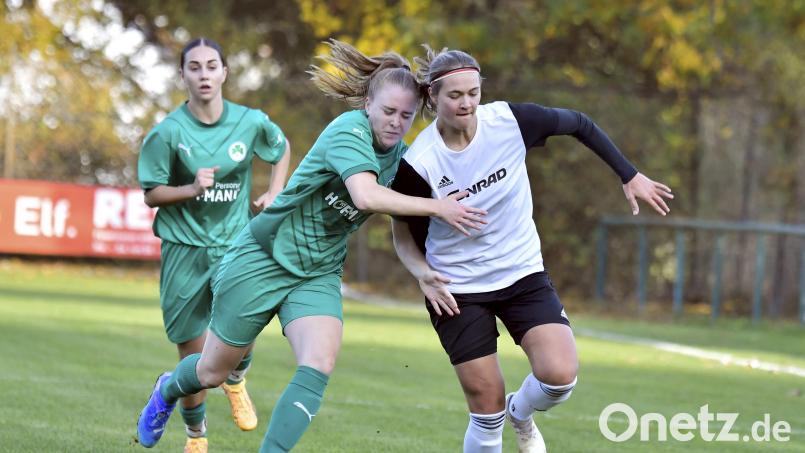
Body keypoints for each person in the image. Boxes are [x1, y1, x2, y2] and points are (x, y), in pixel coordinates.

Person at [136, 40, 487, 452]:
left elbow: (400, 222)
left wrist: (422, 272)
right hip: (262, 257)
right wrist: (439, 207)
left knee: (318, 363)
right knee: (212, 372)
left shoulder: (404, 158)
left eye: (406, 116)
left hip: (317, 273)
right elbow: (365, 196)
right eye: (388, 112)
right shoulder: (348, 131)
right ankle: (167, 389)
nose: (396, 122)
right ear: (368, 104)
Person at [390, 46, 674, 453]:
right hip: (457, 289)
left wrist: (628, 175)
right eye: (455, 96)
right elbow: (402, 233)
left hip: (522, 273)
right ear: (433, 98)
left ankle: (520, 412)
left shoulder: (509, 121)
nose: (467, 103)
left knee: (560, 376)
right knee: (485, 411)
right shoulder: (419, 163)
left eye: (473, 92)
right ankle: (500, 418)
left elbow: (580, 123)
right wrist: (423, 274)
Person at [137, 37, 291, 453]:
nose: (203, 74)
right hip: (184, 249)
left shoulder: (250, 122)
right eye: (194, 67)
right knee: (196, 356)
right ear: (183, 74)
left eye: (211, 66)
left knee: (247, 327)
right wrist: (190, 188)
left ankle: (237, 380)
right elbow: (151, 193)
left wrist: (275, 191)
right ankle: (195, 435)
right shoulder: (167, 132)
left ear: (224, 72)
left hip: (234, 246)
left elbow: (280, 149)